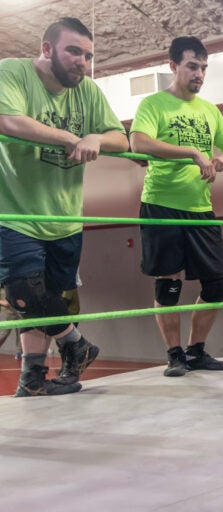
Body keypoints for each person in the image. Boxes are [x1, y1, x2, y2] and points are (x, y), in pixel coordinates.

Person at [0, 17, 129, 397]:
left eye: (88, 55)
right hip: (17, 213)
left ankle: (33, 379)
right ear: (46, 49)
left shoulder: (87, 91)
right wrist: (72, 137)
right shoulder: (13, 72)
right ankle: (76, 345)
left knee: (45, 304)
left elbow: (121, 138)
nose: (82, 62)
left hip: (66, 218)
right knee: (23, 291)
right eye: (74, 51)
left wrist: (96, 138)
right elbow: (8, 120)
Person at [130, 36, 223, 377]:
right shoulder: (154, 104)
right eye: (193, 66)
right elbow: (139, 141)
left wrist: (222, 158)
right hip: (161, 203)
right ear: (173, 66)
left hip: (199, 207)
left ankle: (196, 351)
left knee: (217, 284)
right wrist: (193, 152)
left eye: (204, 68)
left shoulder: (209, 110)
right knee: (169, 284)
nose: (199, 74)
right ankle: (174, 354)